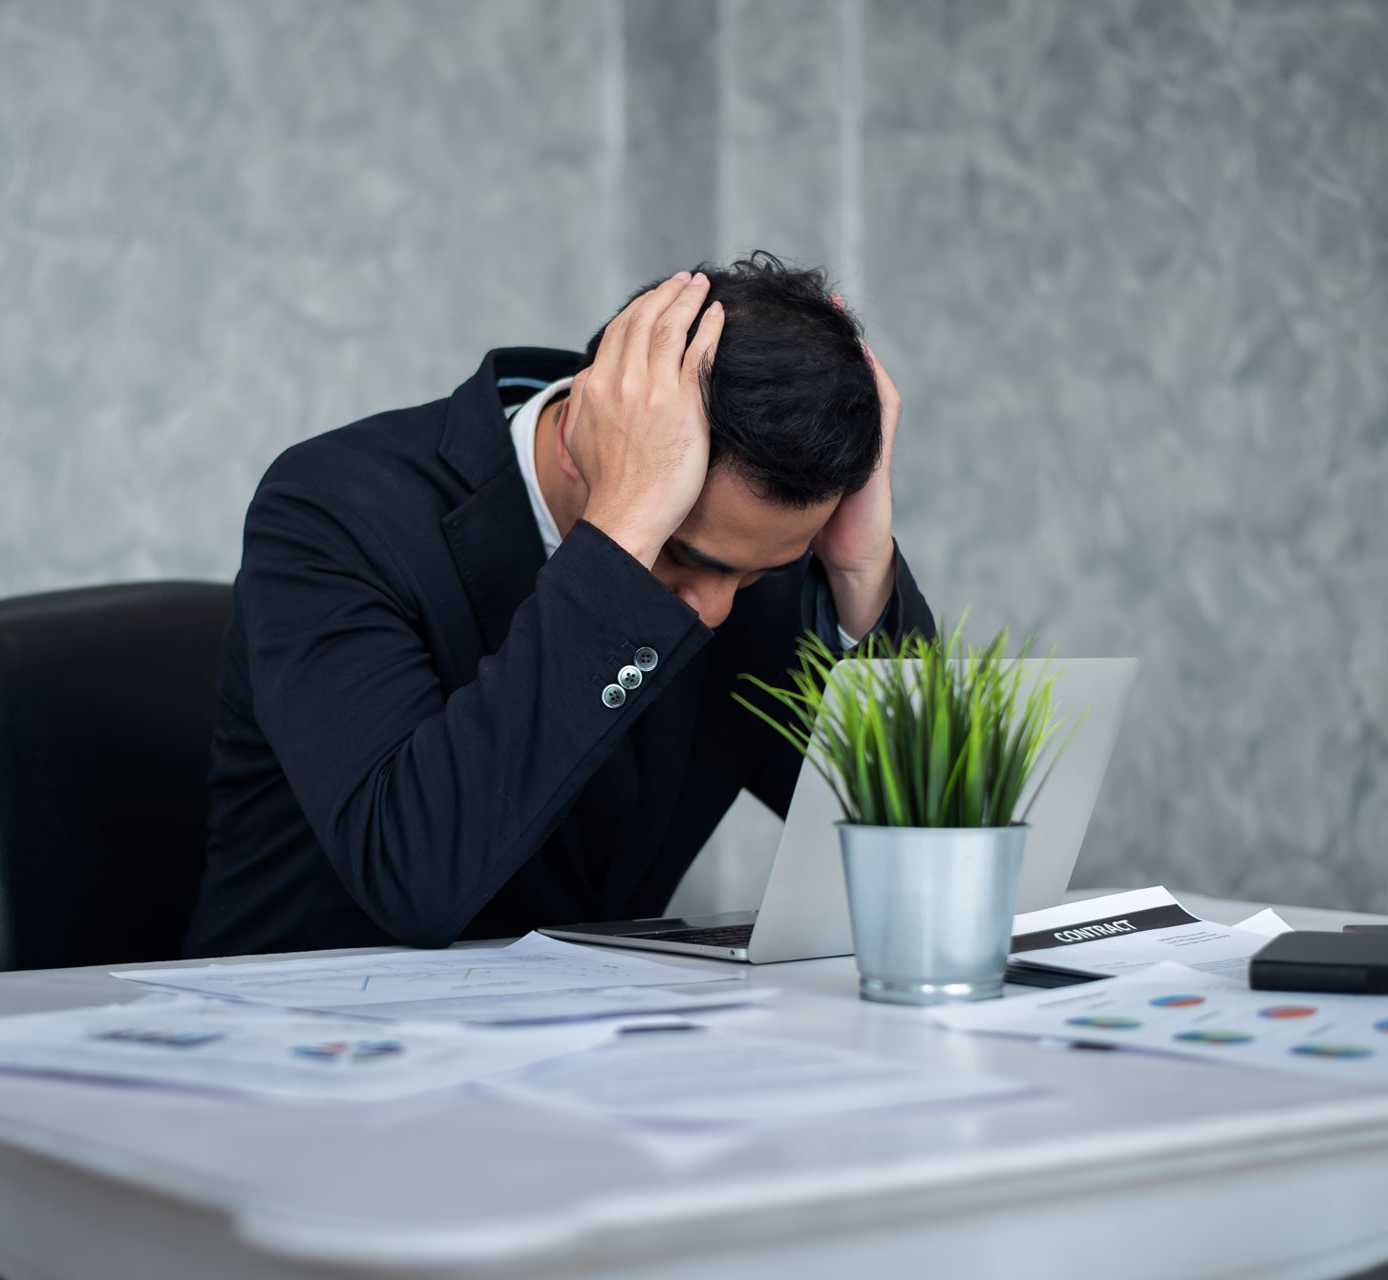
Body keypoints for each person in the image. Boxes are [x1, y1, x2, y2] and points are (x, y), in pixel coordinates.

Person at [183, 252, 935, 957]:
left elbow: (924, 853)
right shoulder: (336, 510)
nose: (710, 609)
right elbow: (416, 876)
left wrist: (862, 570)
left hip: (592, 1053)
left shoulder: (746, 557)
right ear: (581, 436)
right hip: (306, 1043)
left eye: (755, 574)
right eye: (680, 555)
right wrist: (625, 534)